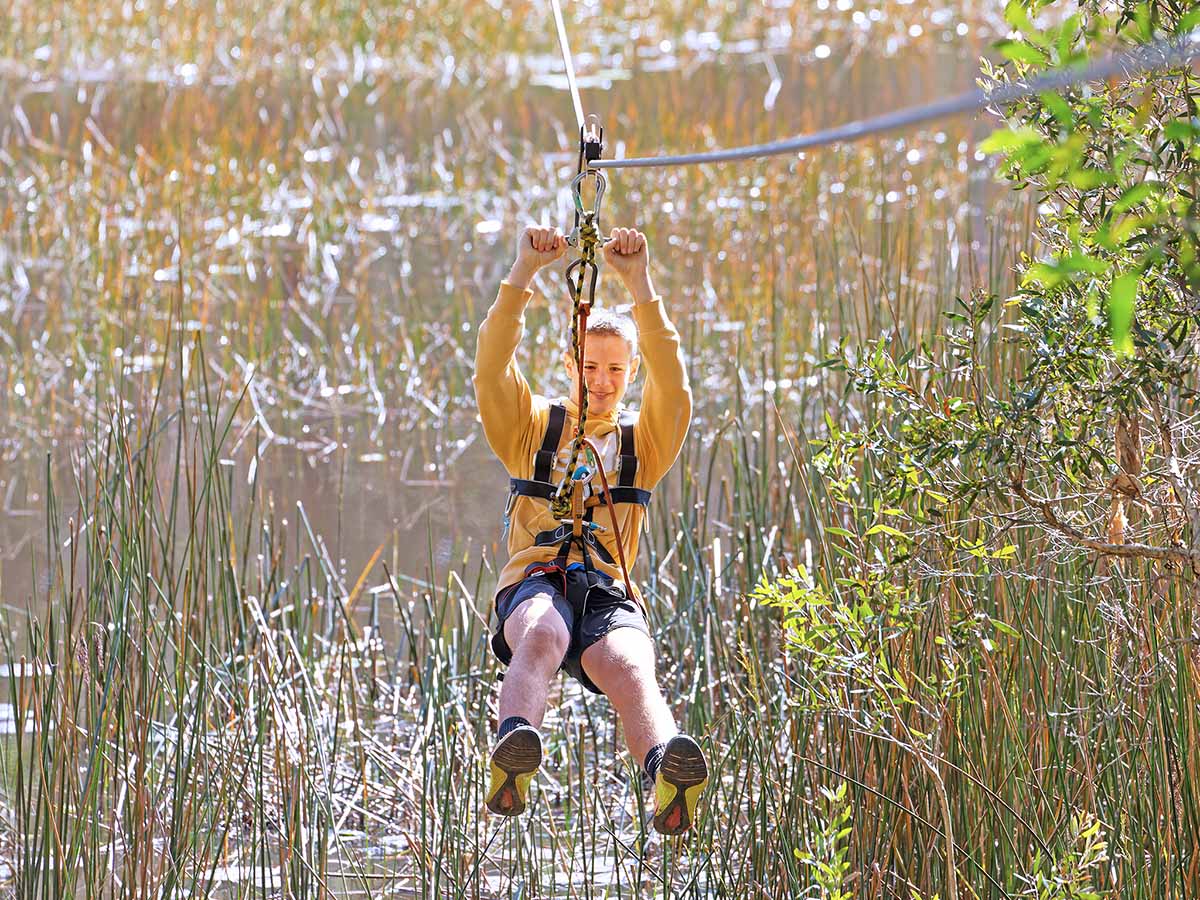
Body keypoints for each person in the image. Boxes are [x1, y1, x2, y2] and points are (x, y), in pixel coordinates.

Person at [472, 223, 709, 835]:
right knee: (544, 635)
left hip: (607, 591)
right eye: (590, 366)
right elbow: (492, 366)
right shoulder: (532, 429)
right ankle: (512, 758)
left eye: (616, 371)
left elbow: (675, 387)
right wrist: (524, 274)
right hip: (537, 580)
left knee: (631, 663)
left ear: (631, 375)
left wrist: (639, 282)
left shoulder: (645, 444)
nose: (601, 382)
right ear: (570, 363)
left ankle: (666, 774)